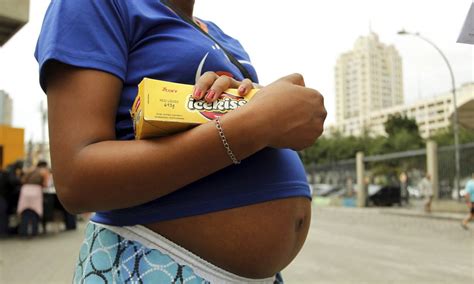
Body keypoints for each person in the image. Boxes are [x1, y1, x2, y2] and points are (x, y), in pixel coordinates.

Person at [35, 0, 326, 283]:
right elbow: (77, 180)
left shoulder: (222, 37)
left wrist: (260, 106)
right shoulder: (96, 4)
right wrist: (256, 123)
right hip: (155, 259)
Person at [16, 161, 50, 237]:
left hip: (25, 190)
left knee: (25, 211)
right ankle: (34, 232)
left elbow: (22, 180)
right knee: (35, 212)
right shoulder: (44, 172)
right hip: (36, 190)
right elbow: (45, 184)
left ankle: (23, 232)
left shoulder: (30, 169)